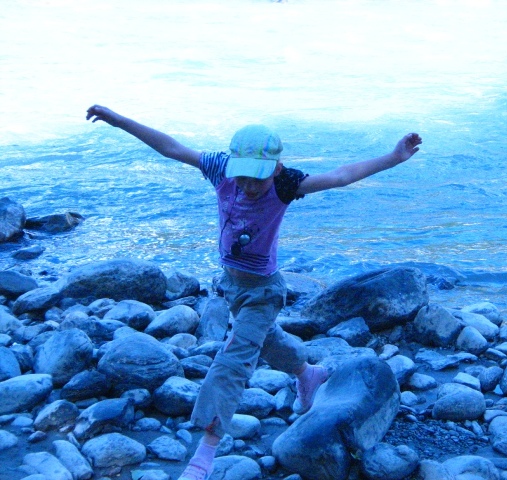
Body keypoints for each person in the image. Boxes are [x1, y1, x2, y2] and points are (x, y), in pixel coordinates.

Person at [86, 104, 422, 480]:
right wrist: (119, 121)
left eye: (256, 180)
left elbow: (341, 176)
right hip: (231, 285)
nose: (247, 186)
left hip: (264, 290)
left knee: (233, 361)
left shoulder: (284, 185)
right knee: (267, 339)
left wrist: (394, 157)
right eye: (242, 177)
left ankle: (204, 453)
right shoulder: (220, 169)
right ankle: (307, 373)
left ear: (275, 168)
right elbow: (172, 148)